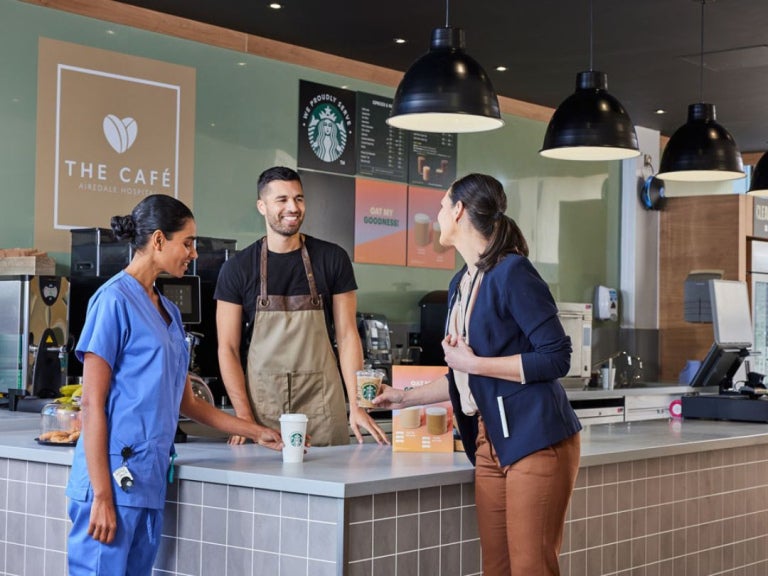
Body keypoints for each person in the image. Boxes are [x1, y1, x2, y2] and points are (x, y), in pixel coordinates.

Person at [373, 173, 581, 576]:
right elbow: (463, 377)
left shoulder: (512, 273)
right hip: (489, 441)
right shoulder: (461, 282)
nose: (435, 216)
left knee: (530, 569)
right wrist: (402, 398)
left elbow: (556, 357)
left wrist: (474, 364)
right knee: (496, 569)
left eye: (440, 206)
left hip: (535, 438)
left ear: (459, 211)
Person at [66, 195, 284, 576]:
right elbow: (90, 405)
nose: (194, 253)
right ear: (159, 241)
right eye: (188, 243)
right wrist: (101, 494)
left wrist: (256, 431)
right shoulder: (112, 301)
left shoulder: (168, 312)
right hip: (111, 482)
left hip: (146, 483)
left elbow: (190, 403)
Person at [215, 166, 388, 446]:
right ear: (262, 206)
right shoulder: (237, 269)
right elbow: (228, 348)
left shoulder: (332, 259)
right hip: (262, 406)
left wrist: (356, 404)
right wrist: (243, 415)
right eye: (281, 200)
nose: (292, 208)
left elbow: (346, 336)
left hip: (322, 401)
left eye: (299, 198)